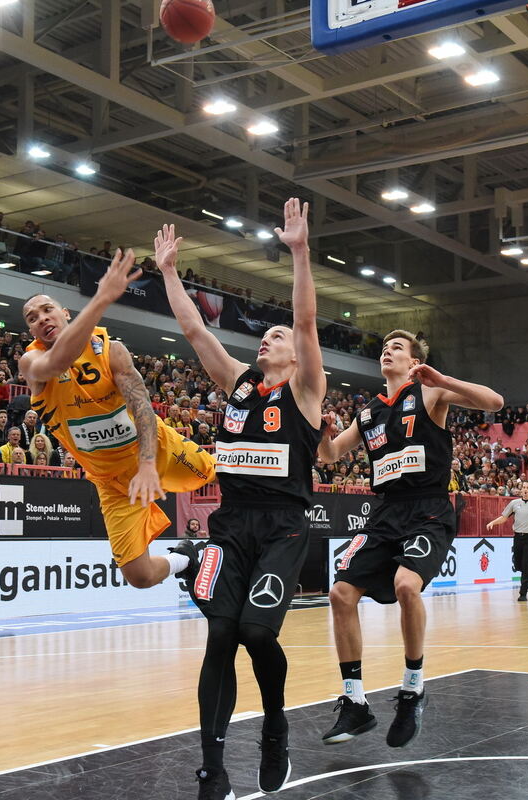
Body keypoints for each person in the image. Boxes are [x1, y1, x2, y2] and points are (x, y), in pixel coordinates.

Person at [155, 198, 326, 799]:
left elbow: (305, 323)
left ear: (292, 354)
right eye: (266, 336)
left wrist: (300, 253)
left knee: (258, 635)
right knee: (221, 635)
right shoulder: (238, 384)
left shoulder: (306, 391)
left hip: (282, 528)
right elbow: (195, 330)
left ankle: (275, 724)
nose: (268, 340)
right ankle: (213, 768)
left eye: (275, 337)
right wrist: (170, 272)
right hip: (230, 527)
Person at [318, 329, 503, 749]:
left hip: (428, 508)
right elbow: (329, 456)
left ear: (414, 361)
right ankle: (355, 702)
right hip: (385, 511)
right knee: (341, 593)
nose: (388, 351)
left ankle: (413, 687)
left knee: (406, 584)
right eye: (385, 348)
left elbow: (494, 403)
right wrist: (323, 433)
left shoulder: (430, 394)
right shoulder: (367, 413)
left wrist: (443, 380)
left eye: (397, 347)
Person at [19, 248, 215, 591]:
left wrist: (149, 464)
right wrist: (102, 298)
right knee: (139, 577)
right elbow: (56, 364)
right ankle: (186, 559)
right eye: (32, 317)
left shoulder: (112, 350)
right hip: (111, 482)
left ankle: (253, 540)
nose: (41, 318)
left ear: (65, 314)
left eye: (48, 309)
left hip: (155, 452)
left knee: (225, 472)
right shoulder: (31, 363)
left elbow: (141, 405)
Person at [487, 480, 528, 601]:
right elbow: (504, 518)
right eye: (523, 487)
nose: (525, 489)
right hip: (518, 537)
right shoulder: (514, 503)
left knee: (525, 564)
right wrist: (493, 522)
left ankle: (523, 593)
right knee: (518, 564)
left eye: (527, 487)